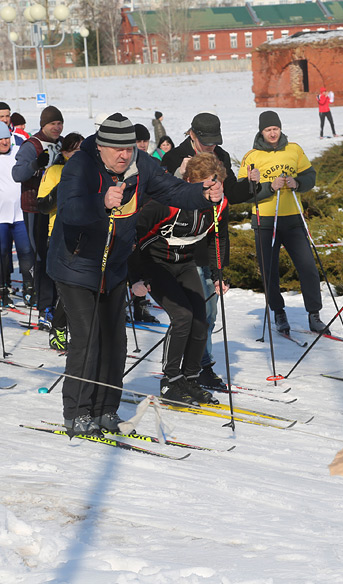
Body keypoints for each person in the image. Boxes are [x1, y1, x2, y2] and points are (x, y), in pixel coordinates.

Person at [48, 113, 222, 437]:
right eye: (116, 148)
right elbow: (68, 209)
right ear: (100, 146)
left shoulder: (142, 165)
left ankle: (105, 410)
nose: (124, 154)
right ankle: (77, 413)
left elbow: (172, 191)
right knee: (88, 340)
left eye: (128, 148)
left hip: (114, 266)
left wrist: (201, 193)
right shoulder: (81, 165)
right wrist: (100, 202)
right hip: (77, 265)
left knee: (115, 342)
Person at [162, 112, 254, 388]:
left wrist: (252, 184)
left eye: (215, 141)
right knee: (190, 313)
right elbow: (162, 198)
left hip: (213, 237)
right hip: (182, 244)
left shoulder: (221, 156)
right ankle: (188, 368)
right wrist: (180, 175)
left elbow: (231, 194)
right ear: (192, 134)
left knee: (209, 313)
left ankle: (199, 365)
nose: (211, 146)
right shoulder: (174, 158)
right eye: (207, 141)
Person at [133, 152, 229, 404]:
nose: (215, 190)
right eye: (208, 184)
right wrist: (135, 277)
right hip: (155, 264)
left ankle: (190, 378)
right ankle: (170, 380)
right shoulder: (165, 204)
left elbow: (216, 239)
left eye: (217, 184)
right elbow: (134, 238)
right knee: (182, 316)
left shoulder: (218, 205)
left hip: (184, 262)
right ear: (191, 183)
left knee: (200, 319)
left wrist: (219, 274)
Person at [240, 110, 326, 334]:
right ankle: (279, 312)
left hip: (292, 219)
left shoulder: (294, 150)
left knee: (308, 267)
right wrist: (270, 187)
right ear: (261, 131)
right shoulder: (252, 157)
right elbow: (243, 192)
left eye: (275, 129)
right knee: (270, 271)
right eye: (268, 130)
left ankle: (314, 314)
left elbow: (311, 177)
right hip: (265, 221)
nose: (272, 133)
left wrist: (297, 182)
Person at [13, 105, 63, 324]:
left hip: (55, 208)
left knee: (55, 255)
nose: (57, 127)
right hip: (35, 207)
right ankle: (44, 307)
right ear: (44, 124)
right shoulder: (32, 145)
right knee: (41, 256)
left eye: (60, 123)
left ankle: (57, 300)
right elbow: (17, 174)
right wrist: (35, 164)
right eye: (53, 123)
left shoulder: (60, 145)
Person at [36, 132, 83, 348]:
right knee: (68, 287)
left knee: (83, 286)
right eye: (74, 151)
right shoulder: (54, 171)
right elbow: (42, 205)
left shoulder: (90, 170)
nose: (78, 155)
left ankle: (79, 328)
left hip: (87, 234)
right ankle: (58, 327)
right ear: (64, 153)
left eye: (81, 151)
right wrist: (62, 187)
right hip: (60, 234)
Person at [0, 121, 33, 309]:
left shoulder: (18, 151)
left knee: (26, 252)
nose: (4, 142)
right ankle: (2, 289)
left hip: (19, 213)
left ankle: (30, 289)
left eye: (6, 137)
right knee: (1, 254)